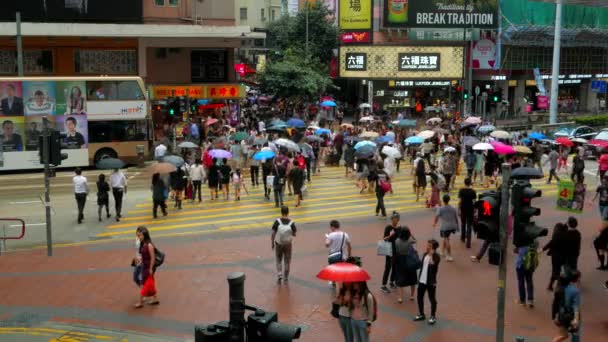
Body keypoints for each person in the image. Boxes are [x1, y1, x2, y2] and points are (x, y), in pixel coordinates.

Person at [413, 239, 441, 325]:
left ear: (433, 247)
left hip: (430, 282)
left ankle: (433, 316)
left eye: (429, 245)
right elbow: (422, 266)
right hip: (422, 280)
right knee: (419, 297)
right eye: (427, 244)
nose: (427, 246)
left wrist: (431, 255)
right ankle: (421, 314)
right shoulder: (425, 254)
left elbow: (433, 266)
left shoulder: (436, 256)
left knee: (432, 299)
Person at [552, 269, 581, 342]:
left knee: (563, 335)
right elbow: (575, 306)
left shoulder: (558, 290)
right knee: (575, 335)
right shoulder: (575, 291)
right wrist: (576, 319)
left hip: (562, 315)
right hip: (571, 315)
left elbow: (555, 304)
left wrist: (554, 316)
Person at [134, 226, 159, 308]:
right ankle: (155, 298)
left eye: (140, 235)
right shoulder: (143, 244)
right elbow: (143, 255)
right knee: (149, 283)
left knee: (145, 283)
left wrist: (151, 269)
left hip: (148, 267)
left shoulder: (149, 245)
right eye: (138, 236)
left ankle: (140, 302)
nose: (139, 237)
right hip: (144, 266)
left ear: (145, 235)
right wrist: (140, 260)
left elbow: (152, 258)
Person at [271, 206, 296, 285]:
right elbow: (294, 234)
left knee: (278, 259)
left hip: (279, 243)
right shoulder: (291, 222)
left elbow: (273, 233)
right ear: (288, 212)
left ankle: (279, 274)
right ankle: (286, 277)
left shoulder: (277, 221)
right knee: (287, 261)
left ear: (281, 212)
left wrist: (272, 242)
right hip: (288, 244)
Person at [394, 226, 418, 303]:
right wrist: (411, 235)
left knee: (400, 278)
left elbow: (396, 250)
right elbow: (415, 240)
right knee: (412, 278)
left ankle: (400, 297)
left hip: (400, 261)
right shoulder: (410, 241)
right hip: (409, 260)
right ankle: (412, 296)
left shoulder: (397, 241)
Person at [543, 223, 569, 291]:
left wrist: (542, 249)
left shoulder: (556, 236)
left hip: (556, 257)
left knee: (555, 271)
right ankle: (552, 285)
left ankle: (555, 285)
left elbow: (550, 243)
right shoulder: (566, 235)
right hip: (564, 256)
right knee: (558, 271)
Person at [433, 194, 459, 261]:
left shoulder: (441, 208)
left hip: (445, 227)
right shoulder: (453, 208)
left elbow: (436, 217)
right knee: (446, 237)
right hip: (453, 226)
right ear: (449, 200)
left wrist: (434, 223)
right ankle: (442, 251)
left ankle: (449, 255)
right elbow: (456, 218)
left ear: (443, 200)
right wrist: (457, 226)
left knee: (446, 239)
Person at [380, 212, 400, 293]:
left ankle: (392, 281)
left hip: (396, 250)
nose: (394, 220)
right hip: (389, 250)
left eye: (395, 219)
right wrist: (390, 235)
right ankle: (383, 285)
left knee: (395, 267)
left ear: (398, 219)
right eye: (392, 219)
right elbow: (384, 239)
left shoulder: (399, 228)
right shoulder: (388, 227)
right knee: (388, 267)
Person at [516, 241, 539, 307]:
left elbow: (516, 250)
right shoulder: (534, 239)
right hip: (530, 265)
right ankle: (530, 300)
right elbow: (536, 246)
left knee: (521, 281)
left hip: (520, 264)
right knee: (529, 281)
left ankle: (522, 300)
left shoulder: (520, 240)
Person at [458, 178, 477, 249]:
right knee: (469, 225)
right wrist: (475, 210)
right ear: (470, 183)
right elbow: (474, 201)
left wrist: (459, 209)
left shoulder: (461, 191)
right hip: (470, 209)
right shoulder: (473, 191)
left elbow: (460, 201)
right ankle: (468, 243)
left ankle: (463, 238)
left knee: (463, 224)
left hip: (463, 209)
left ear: (464, 183)